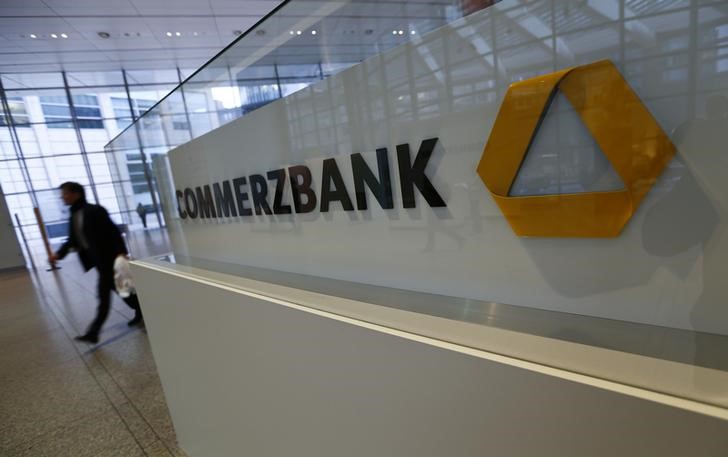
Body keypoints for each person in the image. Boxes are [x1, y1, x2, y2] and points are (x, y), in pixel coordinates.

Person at [49, 182, 143, 344]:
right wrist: (58, 254)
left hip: (110, 259)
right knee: (123, 290)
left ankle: (93, 332)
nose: (62, 196)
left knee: (105, 297)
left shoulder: (95, 211)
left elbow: (113, 231)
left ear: (76, 194)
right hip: (98, 262)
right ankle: (143, 310)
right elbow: (73, 240)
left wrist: (122, 252)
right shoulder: (73, 215)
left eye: (65, 193)